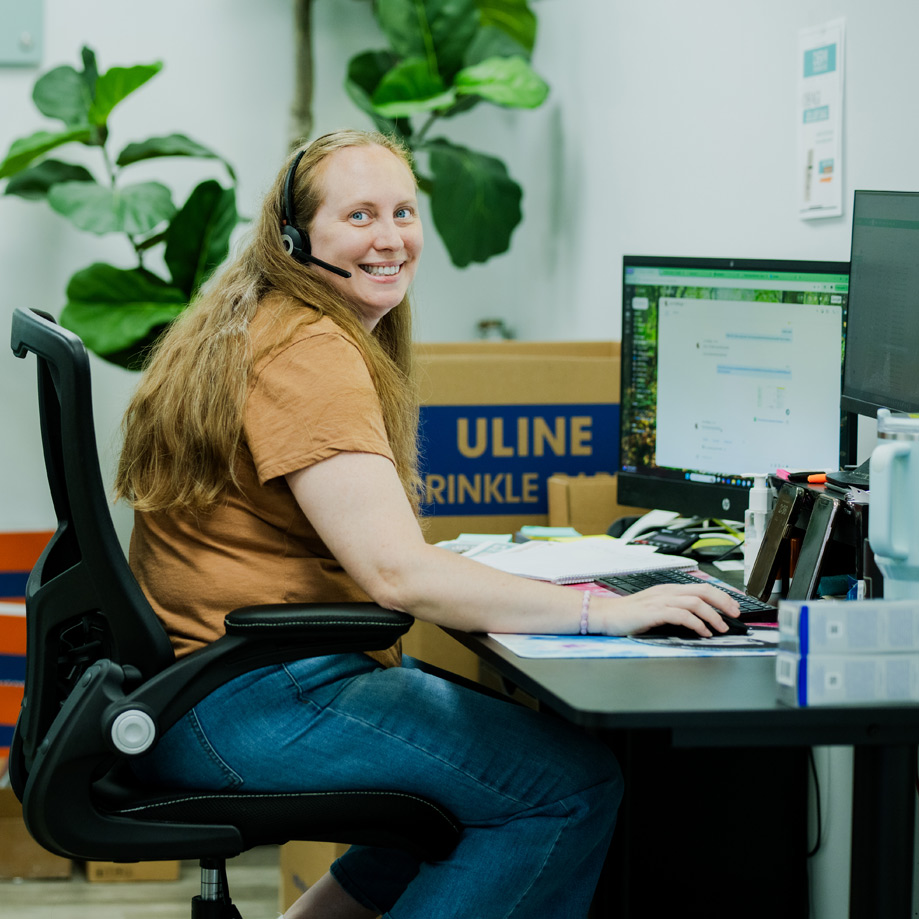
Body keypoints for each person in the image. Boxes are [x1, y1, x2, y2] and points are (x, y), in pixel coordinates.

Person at [116, 129, 740, 919]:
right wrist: (605, 610)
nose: (390, 237)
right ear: (294, 236)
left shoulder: (261, 319)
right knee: (567, 786)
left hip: (207, 686)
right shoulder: (307, 349)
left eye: (404, 211)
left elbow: (358, 544)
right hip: (250, 698)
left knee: (457, 797)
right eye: (359, 215)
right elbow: (395, 573)